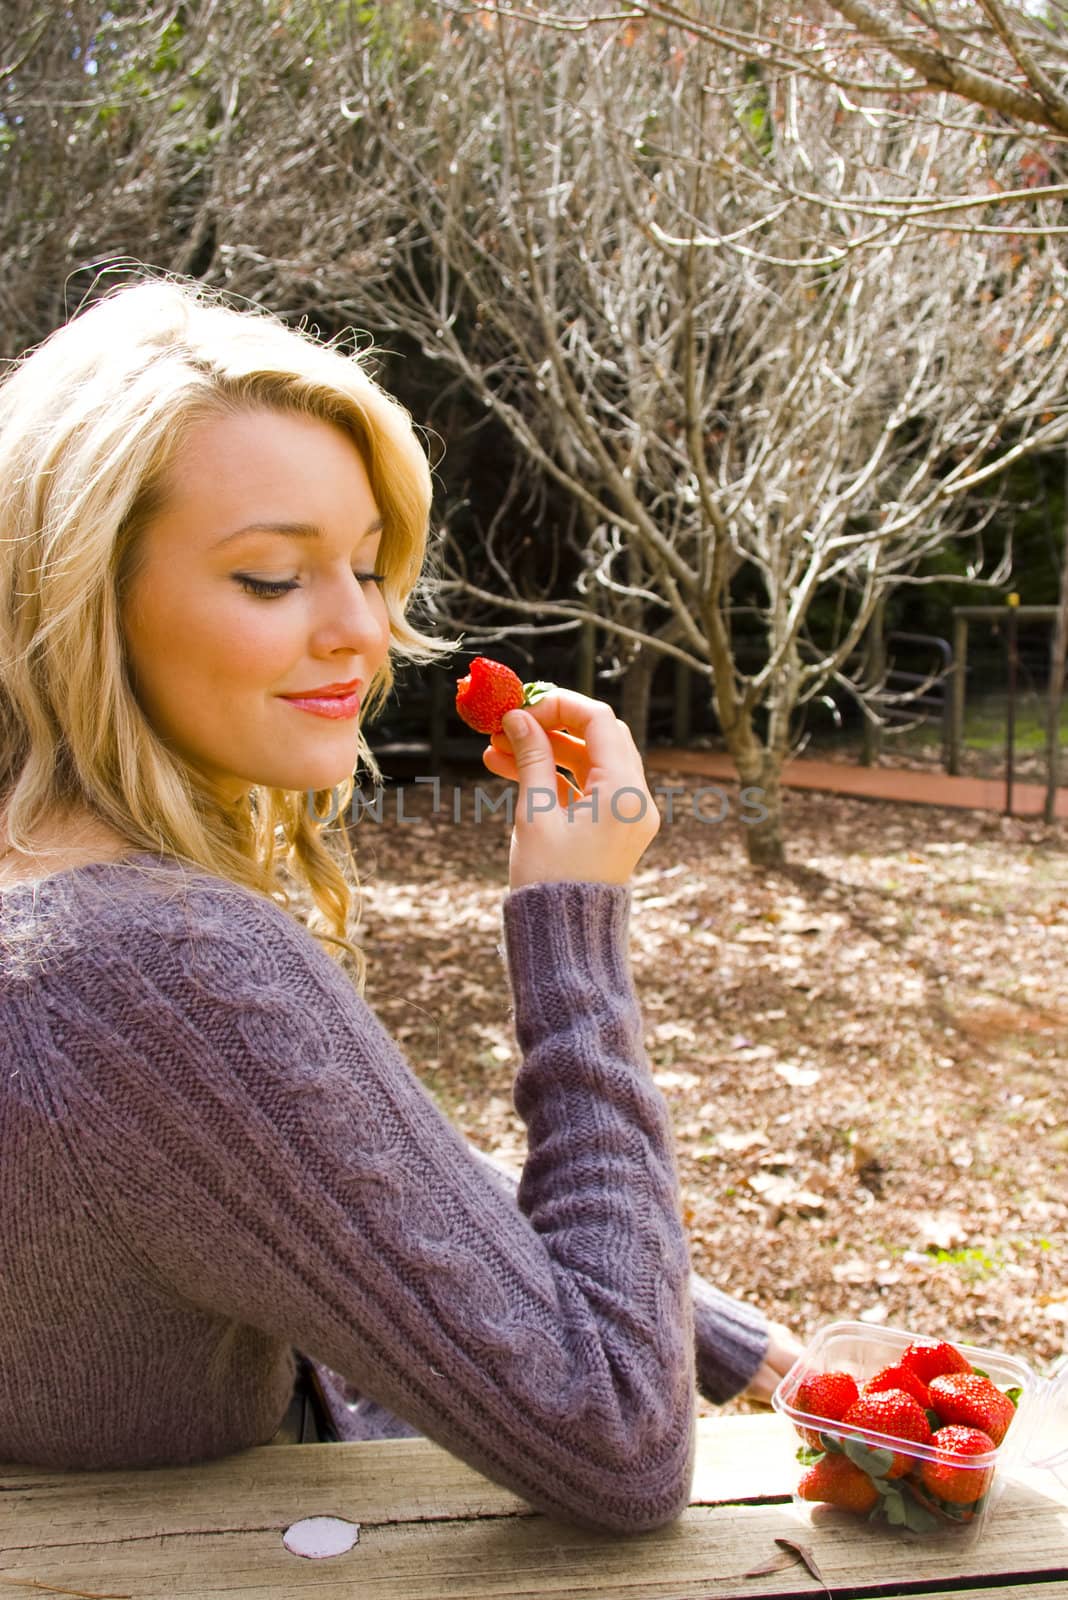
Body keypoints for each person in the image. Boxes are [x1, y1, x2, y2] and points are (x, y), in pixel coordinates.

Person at [0, 276, 800, 1533]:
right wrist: (572, 934)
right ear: (81, 600)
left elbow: (276, 1162)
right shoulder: (169, 964)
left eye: (371, 568)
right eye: (272, 578)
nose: (364, 633)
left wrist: (714, 1330)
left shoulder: (48, 911)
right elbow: (620, 1442)